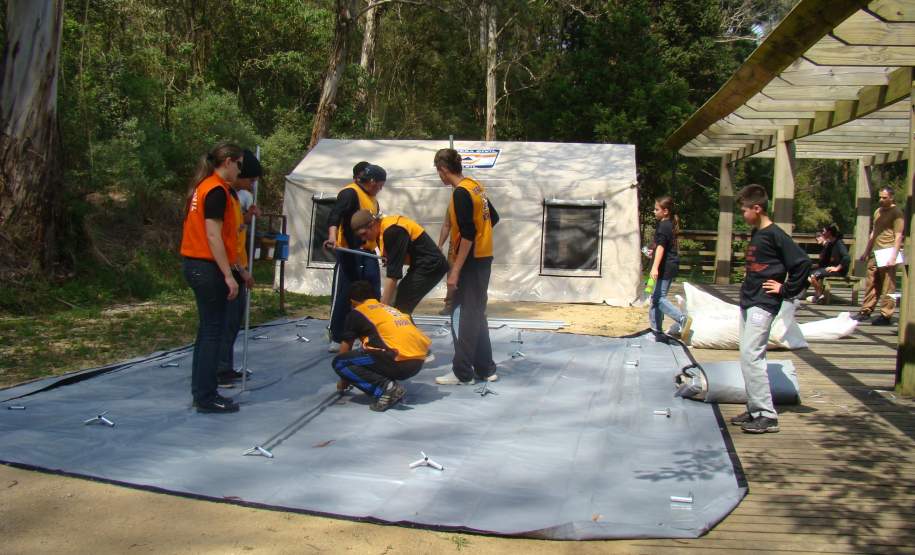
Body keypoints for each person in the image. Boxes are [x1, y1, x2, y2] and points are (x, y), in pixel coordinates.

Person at [729, 185, 810, 434]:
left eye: (744, 210)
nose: (742, 215)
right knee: (747, 355)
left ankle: (767, 415)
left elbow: (802, 263)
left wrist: (785, 289)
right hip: (749, 300)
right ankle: (755, 408)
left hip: (763, 304)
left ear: (757, 208)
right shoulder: (757, 234)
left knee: (752, 356)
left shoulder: (776, 234)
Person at [180, 143, 245, 413]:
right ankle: (206, 395)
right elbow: (212, 235)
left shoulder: (204, 186)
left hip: (197, 263)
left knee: (207, 330)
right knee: (212, 333)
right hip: (206, 266)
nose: (240, 170)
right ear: (228, 162)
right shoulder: (216, 190)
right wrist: (229, 275)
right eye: (239, 164)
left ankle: (202, 391)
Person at [432, 148, 500, 385]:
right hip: (484, 258)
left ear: (443, 169)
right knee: (476, 314)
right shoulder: (475, 187)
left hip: (470, 262)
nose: (438, 176)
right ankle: (485, 367)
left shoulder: (461, 193)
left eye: (438, 172)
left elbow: (468, 234)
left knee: (462, 314)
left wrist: (456, 270)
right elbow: (494, 217)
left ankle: (462, 372)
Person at [331, 281, 432, 412]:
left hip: (395, 360)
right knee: (370, 351)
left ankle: (387, 389)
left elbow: (346, 346)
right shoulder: (389, 309)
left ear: (352, 302)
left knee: (340, 362)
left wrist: (344, 379)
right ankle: (388, 384)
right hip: (417, 362)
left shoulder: (358, 312)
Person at [324, 163, 386, 352]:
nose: (380, 189)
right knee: (345, 293)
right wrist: (332, 237)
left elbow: (377, 228)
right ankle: (336, 335)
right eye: (380, 185)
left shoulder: (373, 200)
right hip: (349, 251)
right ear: (372, 181)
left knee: (373, 291)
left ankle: (369, 334)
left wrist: (383, 252)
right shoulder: (350, 193)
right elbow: (335, 215)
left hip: (368, 252)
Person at [216, 150, 262, 386]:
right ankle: (219, 370)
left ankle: (226, 365)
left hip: (238, 263)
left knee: (234, 321)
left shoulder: (235, 198)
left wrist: (247, 217)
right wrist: (240, 271)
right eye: (250, 180)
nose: (252, 186)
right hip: (230, 267)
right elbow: (224, 240)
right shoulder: (221, 194)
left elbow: (236, 228)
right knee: (225, 321)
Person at [350, 210, 449, 315]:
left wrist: (381, 308)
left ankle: (404, 330)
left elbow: (394, 274)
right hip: (421, 265)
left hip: (431, 266)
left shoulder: (393, 231)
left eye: (364, 234)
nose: (363, 239)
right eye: (360, 236)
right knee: (397, 305)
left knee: (399, 308)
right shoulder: (384, 229)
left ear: (373, 224)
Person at [853, 186, 904, 325]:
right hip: (876, 250)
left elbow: (899, 235)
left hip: (888, 250)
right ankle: (866, 310)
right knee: (871, 282)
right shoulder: (878, 211)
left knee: (889, 285)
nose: (881, 200)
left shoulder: (896, 212)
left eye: (884, 197)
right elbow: (874, 232)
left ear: (891, 197)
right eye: (880, 197)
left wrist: (894, 256)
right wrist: (866, 251)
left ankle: (886, 314)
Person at [647, 196, 693, 342]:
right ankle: (657, 331)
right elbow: (660, 246)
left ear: (665, 211)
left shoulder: (664, 225)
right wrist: (650, 252)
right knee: (655, 299)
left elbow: (661, 248)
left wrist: (654, 268)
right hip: (667, 265)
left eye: (656, 209)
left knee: (658, 298)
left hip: (665, 267)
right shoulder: (666, 224)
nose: (654, 211)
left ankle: (682, 319)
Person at [806, 223, 849, 304]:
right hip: (830, 269)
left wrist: (837, 268)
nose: (822, 233)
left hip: (839, 271)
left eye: (823, 231)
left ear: (829, 232)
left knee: (813, 276)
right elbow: (824, 261)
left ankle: (820, 296)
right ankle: (819, 296)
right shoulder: (830, 244)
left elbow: (846, 258)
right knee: (810, 274)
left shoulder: (839, 243)